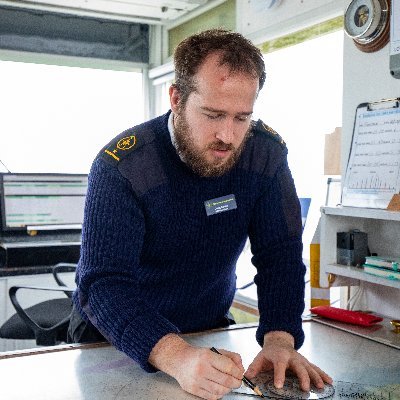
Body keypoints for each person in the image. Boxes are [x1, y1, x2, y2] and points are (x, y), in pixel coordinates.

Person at [68, 28, 332, 399]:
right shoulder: (123, 166)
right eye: (213, 114)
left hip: (204, 331)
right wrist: (174, 355)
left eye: (242, 118)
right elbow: (103, 284)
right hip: (114, 338)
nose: (228, 135)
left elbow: (280, 256)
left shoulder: (266, 155)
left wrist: (279, 338)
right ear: (177, 98)